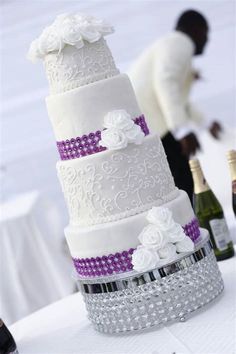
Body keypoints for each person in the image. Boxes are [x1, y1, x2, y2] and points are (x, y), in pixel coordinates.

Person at [129, 9, 221, 202]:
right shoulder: (180, 43)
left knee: (183, 185)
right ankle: (195, 230)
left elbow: (179, 100)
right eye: (206, 33)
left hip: (150, 126)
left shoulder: (170, 45)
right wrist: (182, 131)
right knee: (185, 186)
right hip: (157, 126)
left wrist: (206, 123)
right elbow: (166, 82)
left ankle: (194, 228)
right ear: (196, 30)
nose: (207, 40)